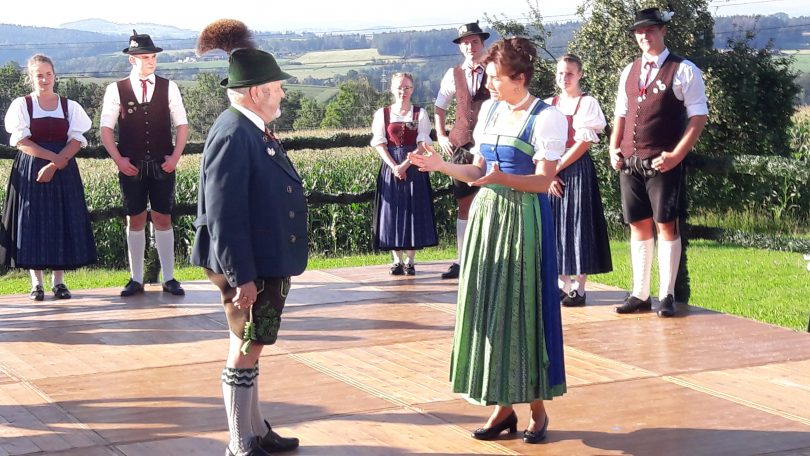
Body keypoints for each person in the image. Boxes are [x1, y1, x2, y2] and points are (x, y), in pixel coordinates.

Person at [409, 37, 567, 444]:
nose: (489, 84)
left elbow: (544, 181)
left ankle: (537, 410)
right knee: (490, 311)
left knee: (524, 310)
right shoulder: (491, 111)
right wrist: (441, 165)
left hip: (524, 220)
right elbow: (477, 171)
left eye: (496, 77)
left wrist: (502, 178)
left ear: (520, 78)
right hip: (487, 218)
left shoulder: (546, 118)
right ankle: (503, 407)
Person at [191, 19, 307, 456]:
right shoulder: (234, 133)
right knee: (246, 346)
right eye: (277, 87)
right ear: (257, 92)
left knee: (250, 343)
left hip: (259, 258)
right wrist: (242, 276)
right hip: (247, 263)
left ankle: (256, 428)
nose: (282, 94)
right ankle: (240, 442)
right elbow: (224, 214)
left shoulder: (248, 127)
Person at [609, 8, 708, 317]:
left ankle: (666, 295)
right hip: (630, 160)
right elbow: (621, 113)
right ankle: (640, 293)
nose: (644, 36)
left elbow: (698, 117)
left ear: (663, 31)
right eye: (639, 31)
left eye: (650, 30)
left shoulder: (684, 70)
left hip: (663, 161)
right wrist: (613, 147)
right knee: (637, 224)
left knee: (666, 224)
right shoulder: (629, 70)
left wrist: (677, 155)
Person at [100, 30, 189, 297]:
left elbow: (182, 125)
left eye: (153, 57)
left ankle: (169, 278)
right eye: (145, 57)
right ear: (132, 59)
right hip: (131, 166)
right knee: (135, 218)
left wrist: (175, 157)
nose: (151, 61)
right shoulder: (115, 89)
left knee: (163, 217)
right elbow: (106, 129)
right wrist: (118, 160)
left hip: (163, 164)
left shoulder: (169, 87)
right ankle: (136, 278)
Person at [0, 54, 96, 300]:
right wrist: (54, 160)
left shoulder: (69, 106)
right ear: (30, 78)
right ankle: (36, 283)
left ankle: (59, 282)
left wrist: (56, 164)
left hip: (63, 170)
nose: (44, 79)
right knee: (33, 221)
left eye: (48, 74)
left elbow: (77, 139)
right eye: (39, 75)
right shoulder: (22, 105)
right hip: (32, 169)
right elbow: (21, 142)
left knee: (60, 220)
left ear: (55, 75)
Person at [544, 54, 612, 307]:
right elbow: (541, 143)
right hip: (551, 168)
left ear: (580, 74)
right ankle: (562, 283)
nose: (564, 78)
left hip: (577, 168)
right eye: (561, 73)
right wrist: (549, 173)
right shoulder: (547, 105)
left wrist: (556, 167)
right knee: (554, 224)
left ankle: (579, 288)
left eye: (570, 73)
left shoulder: (588, 103)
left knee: (578, 224)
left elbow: (584, 142)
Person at [434, 21, 490, 279]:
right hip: (462, 144)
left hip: (490, 144)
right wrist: (442, 135)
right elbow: (440, 106)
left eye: (474, 42)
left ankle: (490, 259)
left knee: (492, 200)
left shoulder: (495, 69)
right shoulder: (453, 74)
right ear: (460, 47)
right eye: (465, 43)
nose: (470, 47)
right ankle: (462, 260)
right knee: (464, 203)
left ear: (482, 43)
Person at [371, 72, 437, 275]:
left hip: (414, 166)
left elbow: (423, 144)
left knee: (413, 210)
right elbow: (380, 144)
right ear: (392, 89)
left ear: (412, 89)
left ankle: (410, 260)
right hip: (390, 167)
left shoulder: (420, 113)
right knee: (392, 211)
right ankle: (396, 260)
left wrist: (406, 164)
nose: (403, 91)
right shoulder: (382, 114)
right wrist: (394, 166)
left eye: (407, 87)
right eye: (399, 87)